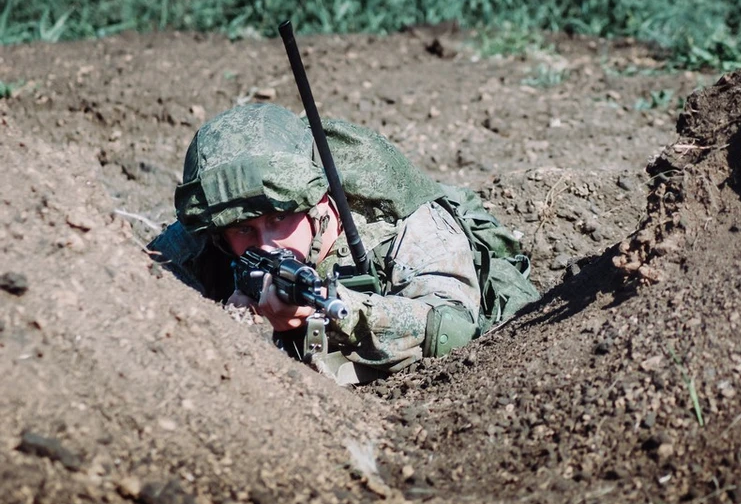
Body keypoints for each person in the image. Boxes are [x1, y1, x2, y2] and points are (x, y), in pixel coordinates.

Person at [148, 103, 538, 384]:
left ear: (318, 203)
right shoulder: (215, 220)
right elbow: (136, 283)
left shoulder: (404, 224)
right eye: (244, 230)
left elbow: (453, 329)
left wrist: (342, 313)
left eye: (279, 219)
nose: (266, 243)